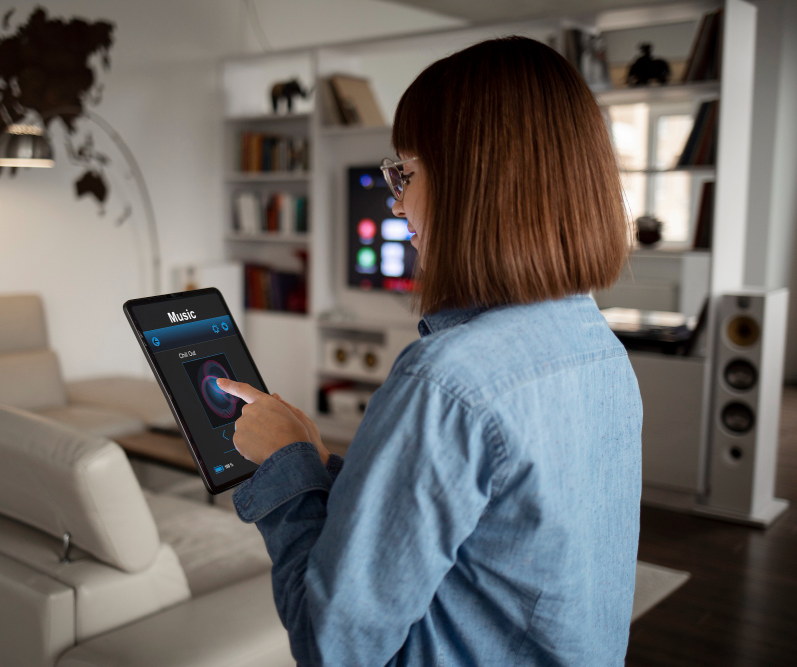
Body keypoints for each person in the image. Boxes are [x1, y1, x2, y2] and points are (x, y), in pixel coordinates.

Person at [216, 36, 642, 666]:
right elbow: (479, 542)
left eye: (406, 173)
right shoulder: (598, 348)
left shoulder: (446, 384)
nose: (395, 201)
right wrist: (324, 465)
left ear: (474, 182)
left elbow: (332, 647)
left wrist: (285, 465)